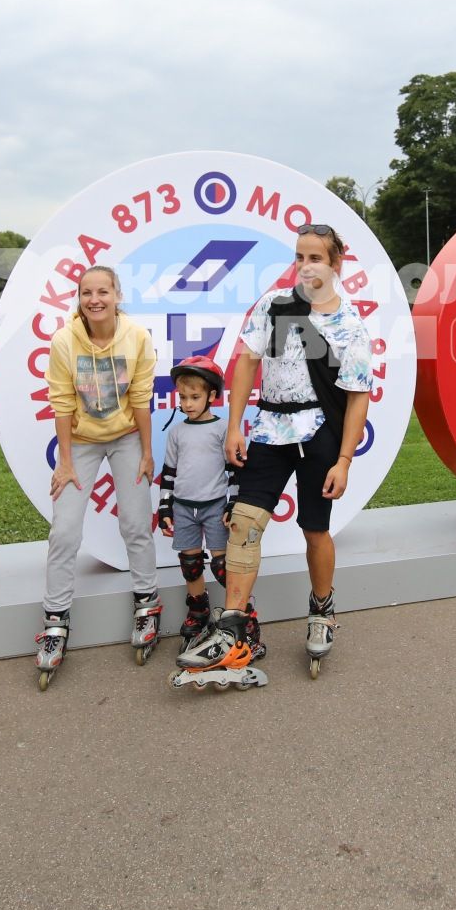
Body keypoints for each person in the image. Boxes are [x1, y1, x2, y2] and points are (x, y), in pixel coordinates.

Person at [176, 223, 373, 685]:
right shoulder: (275, 305)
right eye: (300, 257)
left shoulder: (350, 324)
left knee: (315, 529)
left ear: (336, 263)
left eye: (316, 258)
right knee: (244, 523)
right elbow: (245, 362)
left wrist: (343, 461)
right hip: (269, 429)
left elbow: (358, 396)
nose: (306, 266)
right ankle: (232, 627)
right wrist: (233, 426)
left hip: (321, 433)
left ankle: (322, 609)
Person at [36, 264, 160, 686]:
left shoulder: (137, 337)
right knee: (65, 529)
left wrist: (146, 453)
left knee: (135, 523)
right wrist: (66, 462)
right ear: (79, 298)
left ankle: (147, 602)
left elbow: (141, 398)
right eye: (87, 292)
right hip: (83, 440)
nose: (95, 299)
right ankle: (55, 621)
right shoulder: (63, 341)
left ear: (117, 294)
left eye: (103, 291)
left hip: (126, 436)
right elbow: (62, 403)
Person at [156, 354, 244, 652]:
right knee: (191, 565)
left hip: (215, 507)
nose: (188, 403)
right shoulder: (177, 432)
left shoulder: (222, 429)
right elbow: (168, 475)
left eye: (195, 396)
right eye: (183, 397)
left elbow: (233, 472)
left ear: (212, 396)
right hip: (183, 507)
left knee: (221, 566)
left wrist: (233, 504)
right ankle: (199, 612)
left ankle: (241, 615)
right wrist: (165, 508)